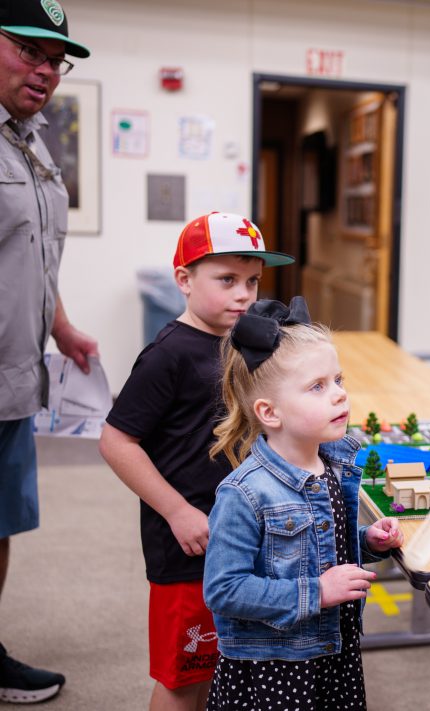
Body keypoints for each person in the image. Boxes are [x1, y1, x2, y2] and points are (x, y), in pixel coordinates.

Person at [98, 212, 294, 711]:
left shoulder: (239, 345)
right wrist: (177, 511)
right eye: (226, 280)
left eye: (252, 281)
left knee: (228, 665)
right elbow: (116, 441)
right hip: (187, 547)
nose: (244, 295)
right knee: (185, 679)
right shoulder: (168, 354)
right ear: (184, 279)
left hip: (239, 535)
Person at [203, 297, 404, 711]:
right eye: (317, 386)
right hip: (277, 666)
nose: (339, 395)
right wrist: (317, 592)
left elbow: (317, 546)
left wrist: (368, 542)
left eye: (338, 380)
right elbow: (223, 589)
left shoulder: (332, 465)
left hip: (334, 650)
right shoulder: (244, 493)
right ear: (269, 413)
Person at [0, 0, 94, 703]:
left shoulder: (30, 143)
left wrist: (60, 324)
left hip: (15, 379)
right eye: (29, 50)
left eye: (56, 60)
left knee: (0, 523)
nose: (45, 71)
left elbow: (33, 256)